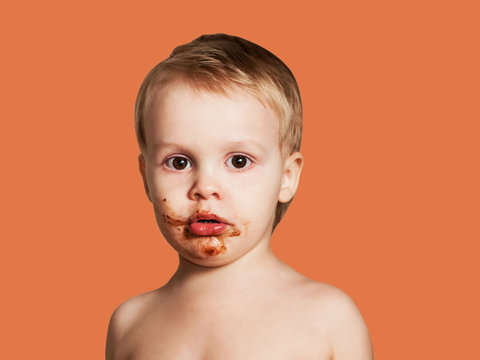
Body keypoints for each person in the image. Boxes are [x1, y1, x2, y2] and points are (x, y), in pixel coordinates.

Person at [106, 33, 373, 360]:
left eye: (238, 161)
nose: (204, 186)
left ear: (286, 178)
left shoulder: (328, 318)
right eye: (179, 162)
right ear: (146, 178)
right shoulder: (130, 322)